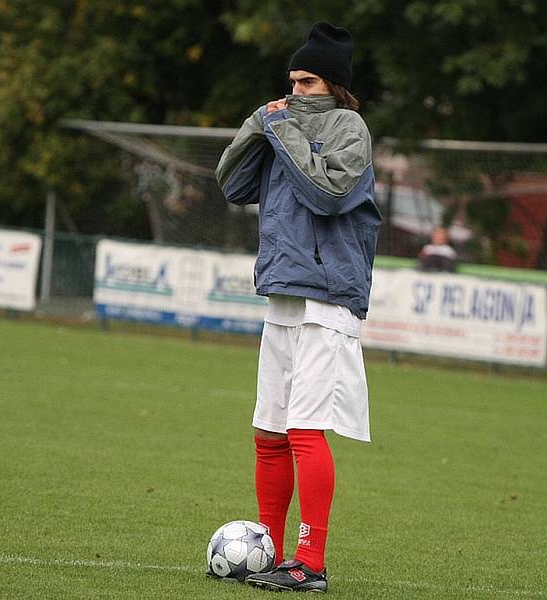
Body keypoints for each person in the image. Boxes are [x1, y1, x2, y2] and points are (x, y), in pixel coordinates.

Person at [214, 21, 381, 593]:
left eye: (306, 81)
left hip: (328, 301)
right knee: (269, 432)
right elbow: (233, 185)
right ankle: (268, 552)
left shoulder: (349, 129)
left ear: (333, 85)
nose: (294, 92)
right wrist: (256, 126)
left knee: (306, 430)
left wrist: (281, 130)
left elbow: (328, 195)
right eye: (291, 82)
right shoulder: (281, 124)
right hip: (284, 294)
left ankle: (311, 562)